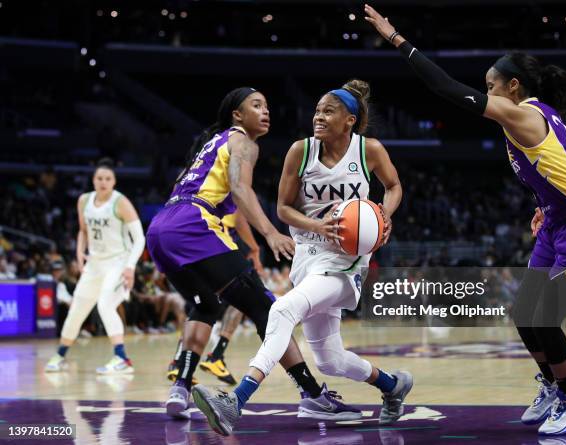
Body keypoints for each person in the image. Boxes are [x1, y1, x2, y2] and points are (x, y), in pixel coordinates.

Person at [364, 4, 566, 436]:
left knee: (545, 318)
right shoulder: (540, 116)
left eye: (490, 86)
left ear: (512, 87)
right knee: (523, 313)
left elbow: (444, 87)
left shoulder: (519, 114)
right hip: (559, 218)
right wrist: (548, 201)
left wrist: (395, 38)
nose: (486, 92)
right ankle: (553, 386)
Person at [192, 80, 410, 437]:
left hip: (346, 262)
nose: (319, 117)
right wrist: (317, 226)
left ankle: (235, 401)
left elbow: (394, 186)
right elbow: (282, 208)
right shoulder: (301, 151)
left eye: (329, 111)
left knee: (280, 310)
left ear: (350, 120)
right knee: (330, 359)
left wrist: (383, 218)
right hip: (308, 255)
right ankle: (392, 385)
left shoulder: (368, 150)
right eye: (317, 110)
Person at [146, 87, 360, 421]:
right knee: (265, 307)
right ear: (237, 115)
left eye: (267, 106)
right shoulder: (244, 141)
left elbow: (231, 208)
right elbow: (241, 190)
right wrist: (271, 233)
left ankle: (180, 389)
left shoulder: (210, 145)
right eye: (256, 105)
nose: (265, 111)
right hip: (193, 224)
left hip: (162, 228)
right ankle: (312, 394)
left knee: (206, 304)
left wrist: (253, 244)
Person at [45, 158, 145, 374]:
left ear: (114, 181)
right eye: (99, 178)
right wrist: (80, 251)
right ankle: (60, 355)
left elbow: (139, 239)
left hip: (118, 262)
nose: (103, 182)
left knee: (105, 304)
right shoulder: (84, 200)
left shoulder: (121, 202)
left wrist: (130, 267)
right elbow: (83, 230)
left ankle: (122, 359)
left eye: (108, 178)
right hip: (95, 264)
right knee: (77, 309)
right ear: (93, 180)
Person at [166, 209, 262, 386]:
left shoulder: (192, 201)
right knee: (241, 300)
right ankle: (216, 356)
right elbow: (240, 220)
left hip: (188, 254)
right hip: (217, 257)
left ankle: (179, 361)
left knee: (201, 309)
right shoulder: (227, 192)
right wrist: (255, 250)